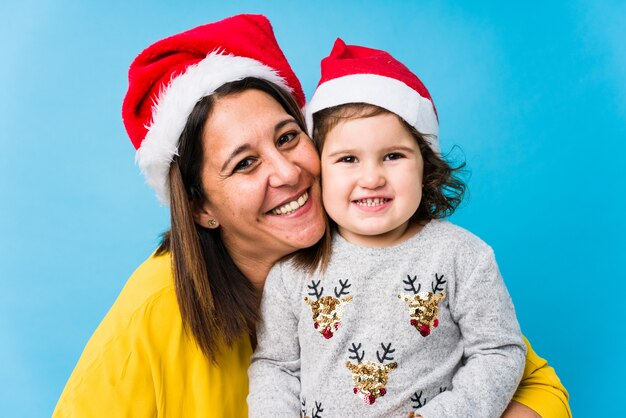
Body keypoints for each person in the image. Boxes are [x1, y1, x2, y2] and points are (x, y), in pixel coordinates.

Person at [53, 14, 569, 418]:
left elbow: (531, 380)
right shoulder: (153, 315)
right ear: (200, 207)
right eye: (245, 163)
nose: (288, 171)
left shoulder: (410, 247)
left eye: (287, 138)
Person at [248, 39, 565, 418]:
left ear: (425, 165)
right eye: (348, 159)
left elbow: (498, 351)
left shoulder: (463, 256)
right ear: (320, 172)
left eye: (393, 156)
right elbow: (276, 366)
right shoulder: (291, 273)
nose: (371, 178)